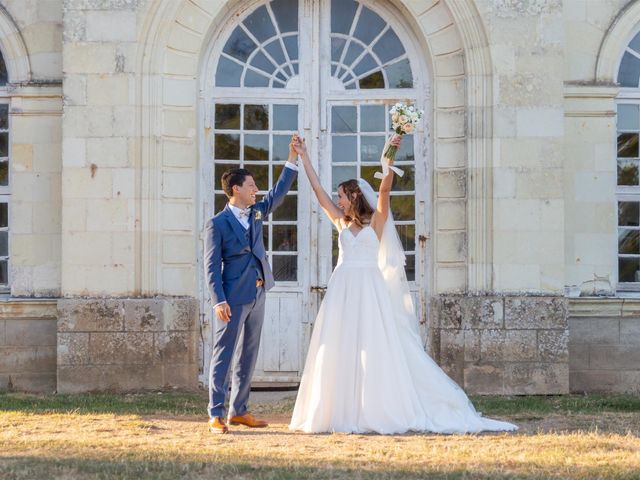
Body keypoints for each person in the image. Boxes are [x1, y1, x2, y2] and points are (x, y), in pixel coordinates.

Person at [288, 134, 517, 434]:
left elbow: (384, 189)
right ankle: (341, 408)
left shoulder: (377, 222)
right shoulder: (341, 223)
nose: (338, 200)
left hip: (369, 288)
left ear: (355, 196)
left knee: (373, 344)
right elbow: (318, 192)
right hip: (342, 288)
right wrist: (303, 156)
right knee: (341, 345)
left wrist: (390, 153)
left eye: (342, 195)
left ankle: (373, 406)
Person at [204, 137, 298, 434]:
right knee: (224, 353)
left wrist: (292, 158)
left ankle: (239, 411)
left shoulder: (257, 212)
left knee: (249, 354)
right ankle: (215, 414)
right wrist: (219, 300)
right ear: (236, 189)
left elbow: (278, 193)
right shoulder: (217, 224)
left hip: (259, 292)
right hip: (232, 298)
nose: (256, 190)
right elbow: (211, 266)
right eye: (251, 186)